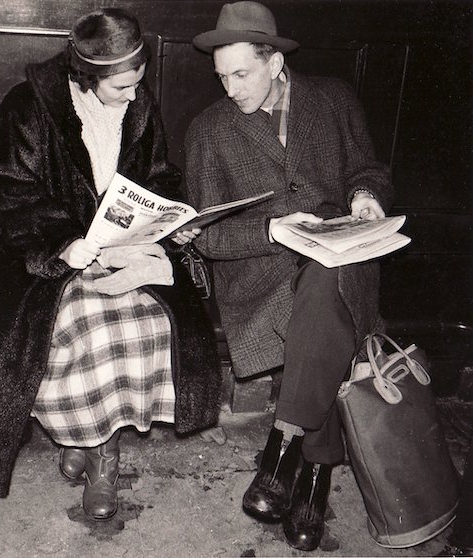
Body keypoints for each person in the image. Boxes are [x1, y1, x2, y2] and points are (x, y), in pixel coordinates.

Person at [0, 8, 221, 521]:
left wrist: (171, 221)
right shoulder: (28, 109)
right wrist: (62, 244)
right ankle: (96, 448)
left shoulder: (138, 103)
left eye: (138, 84)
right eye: (123, 87)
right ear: (86, 75)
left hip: (120, 251)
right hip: (40, 262)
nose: (135, 95)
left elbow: (159, 177)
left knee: (149, 321)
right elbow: (5, 196)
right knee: (90, 328)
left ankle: (92, 442)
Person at [184, 1, 394, 551]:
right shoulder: (208, 131)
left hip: (341, 254)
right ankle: (314, 474)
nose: (229, 88)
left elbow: (368, 167)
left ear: (274, 61)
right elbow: (205, 236)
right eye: (222, 76)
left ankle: (284, 444)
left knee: (326, 286)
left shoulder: (333, 99)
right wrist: (272, 230)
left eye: (241, 74)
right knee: (323, 311)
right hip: (261, 271)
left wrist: (365, 196)